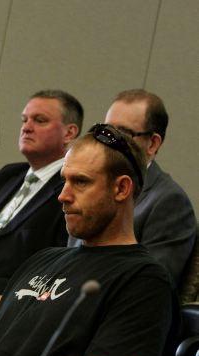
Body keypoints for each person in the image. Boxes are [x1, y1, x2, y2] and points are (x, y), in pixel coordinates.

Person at [0, 124, 174, 356]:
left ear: (121, 188)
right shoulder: (42, 260)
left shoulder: (143, 280)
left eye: (81, 182)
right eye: (64, 181)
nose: (63, 195)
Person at [0, 90, 82, 343]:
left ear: (70, 133)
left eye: (39, 121)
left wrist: (6, 297)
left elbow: (58, 266)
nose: (27, 127)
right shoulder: (9, 175)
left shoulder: (70, 191)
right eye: (24, 120)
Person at [70, 90, 195, 289]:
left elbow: (151, 285)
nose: (108, 144)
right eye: (106, 133)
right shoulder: (88, 187)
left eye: (123, 134)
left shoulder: (169, 201)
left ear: (152, 144)